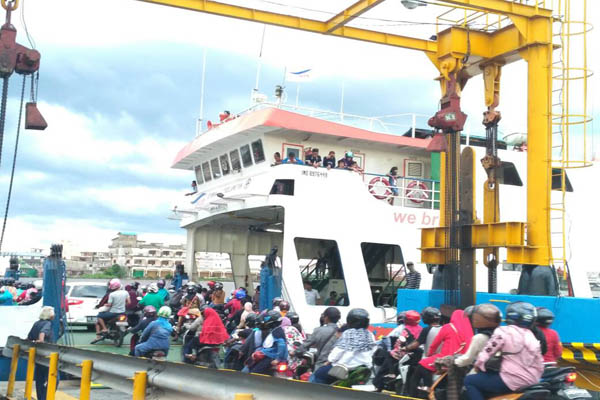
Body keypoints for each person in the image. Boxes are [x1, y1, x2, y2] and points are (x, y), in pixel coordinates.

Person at [464, 302, 543, 400]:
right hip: (532, 380)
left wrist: (478, 365)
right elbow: (540, 364)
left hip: (511, 380)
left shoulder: (503, 331)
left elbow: (487, 352)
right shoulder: (532, 336)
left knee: (469, 381)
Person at [409, 309, 473, 397]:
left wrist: (429, 354)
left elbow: (435, 344)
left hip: (446, 358)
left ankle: (427, 388)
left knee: (422, 365)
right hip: (462, 360)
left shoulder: (447, 327)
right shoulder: (470, 331)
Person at [311, 308, 377, 384]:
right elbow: (373, 349)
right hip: (363, 368)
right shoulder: (370, 334)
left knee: (318, 374)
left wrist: (329, 361)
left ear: (350, 320)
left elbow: (337, 353)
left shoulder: (348, 333)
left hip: (344, 368)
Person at [454, 304, 502, 369]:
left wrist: (453, 362)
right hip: (499, 370)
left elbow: (467, 359)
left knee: (469, 378)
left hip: (484, 369)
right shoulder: (500, 333)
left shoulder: (479, 338)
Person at [27, 306, 57, 400]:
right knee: (55, 378)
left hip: (37, 354)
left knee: (40, 378)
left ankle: (41, 398)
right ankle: (46, 397)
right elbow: (43, 332)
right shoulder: (48, 323)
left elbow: (29, 337)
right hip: (47, 354)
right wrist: (41, 340)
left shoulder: (36, 323)